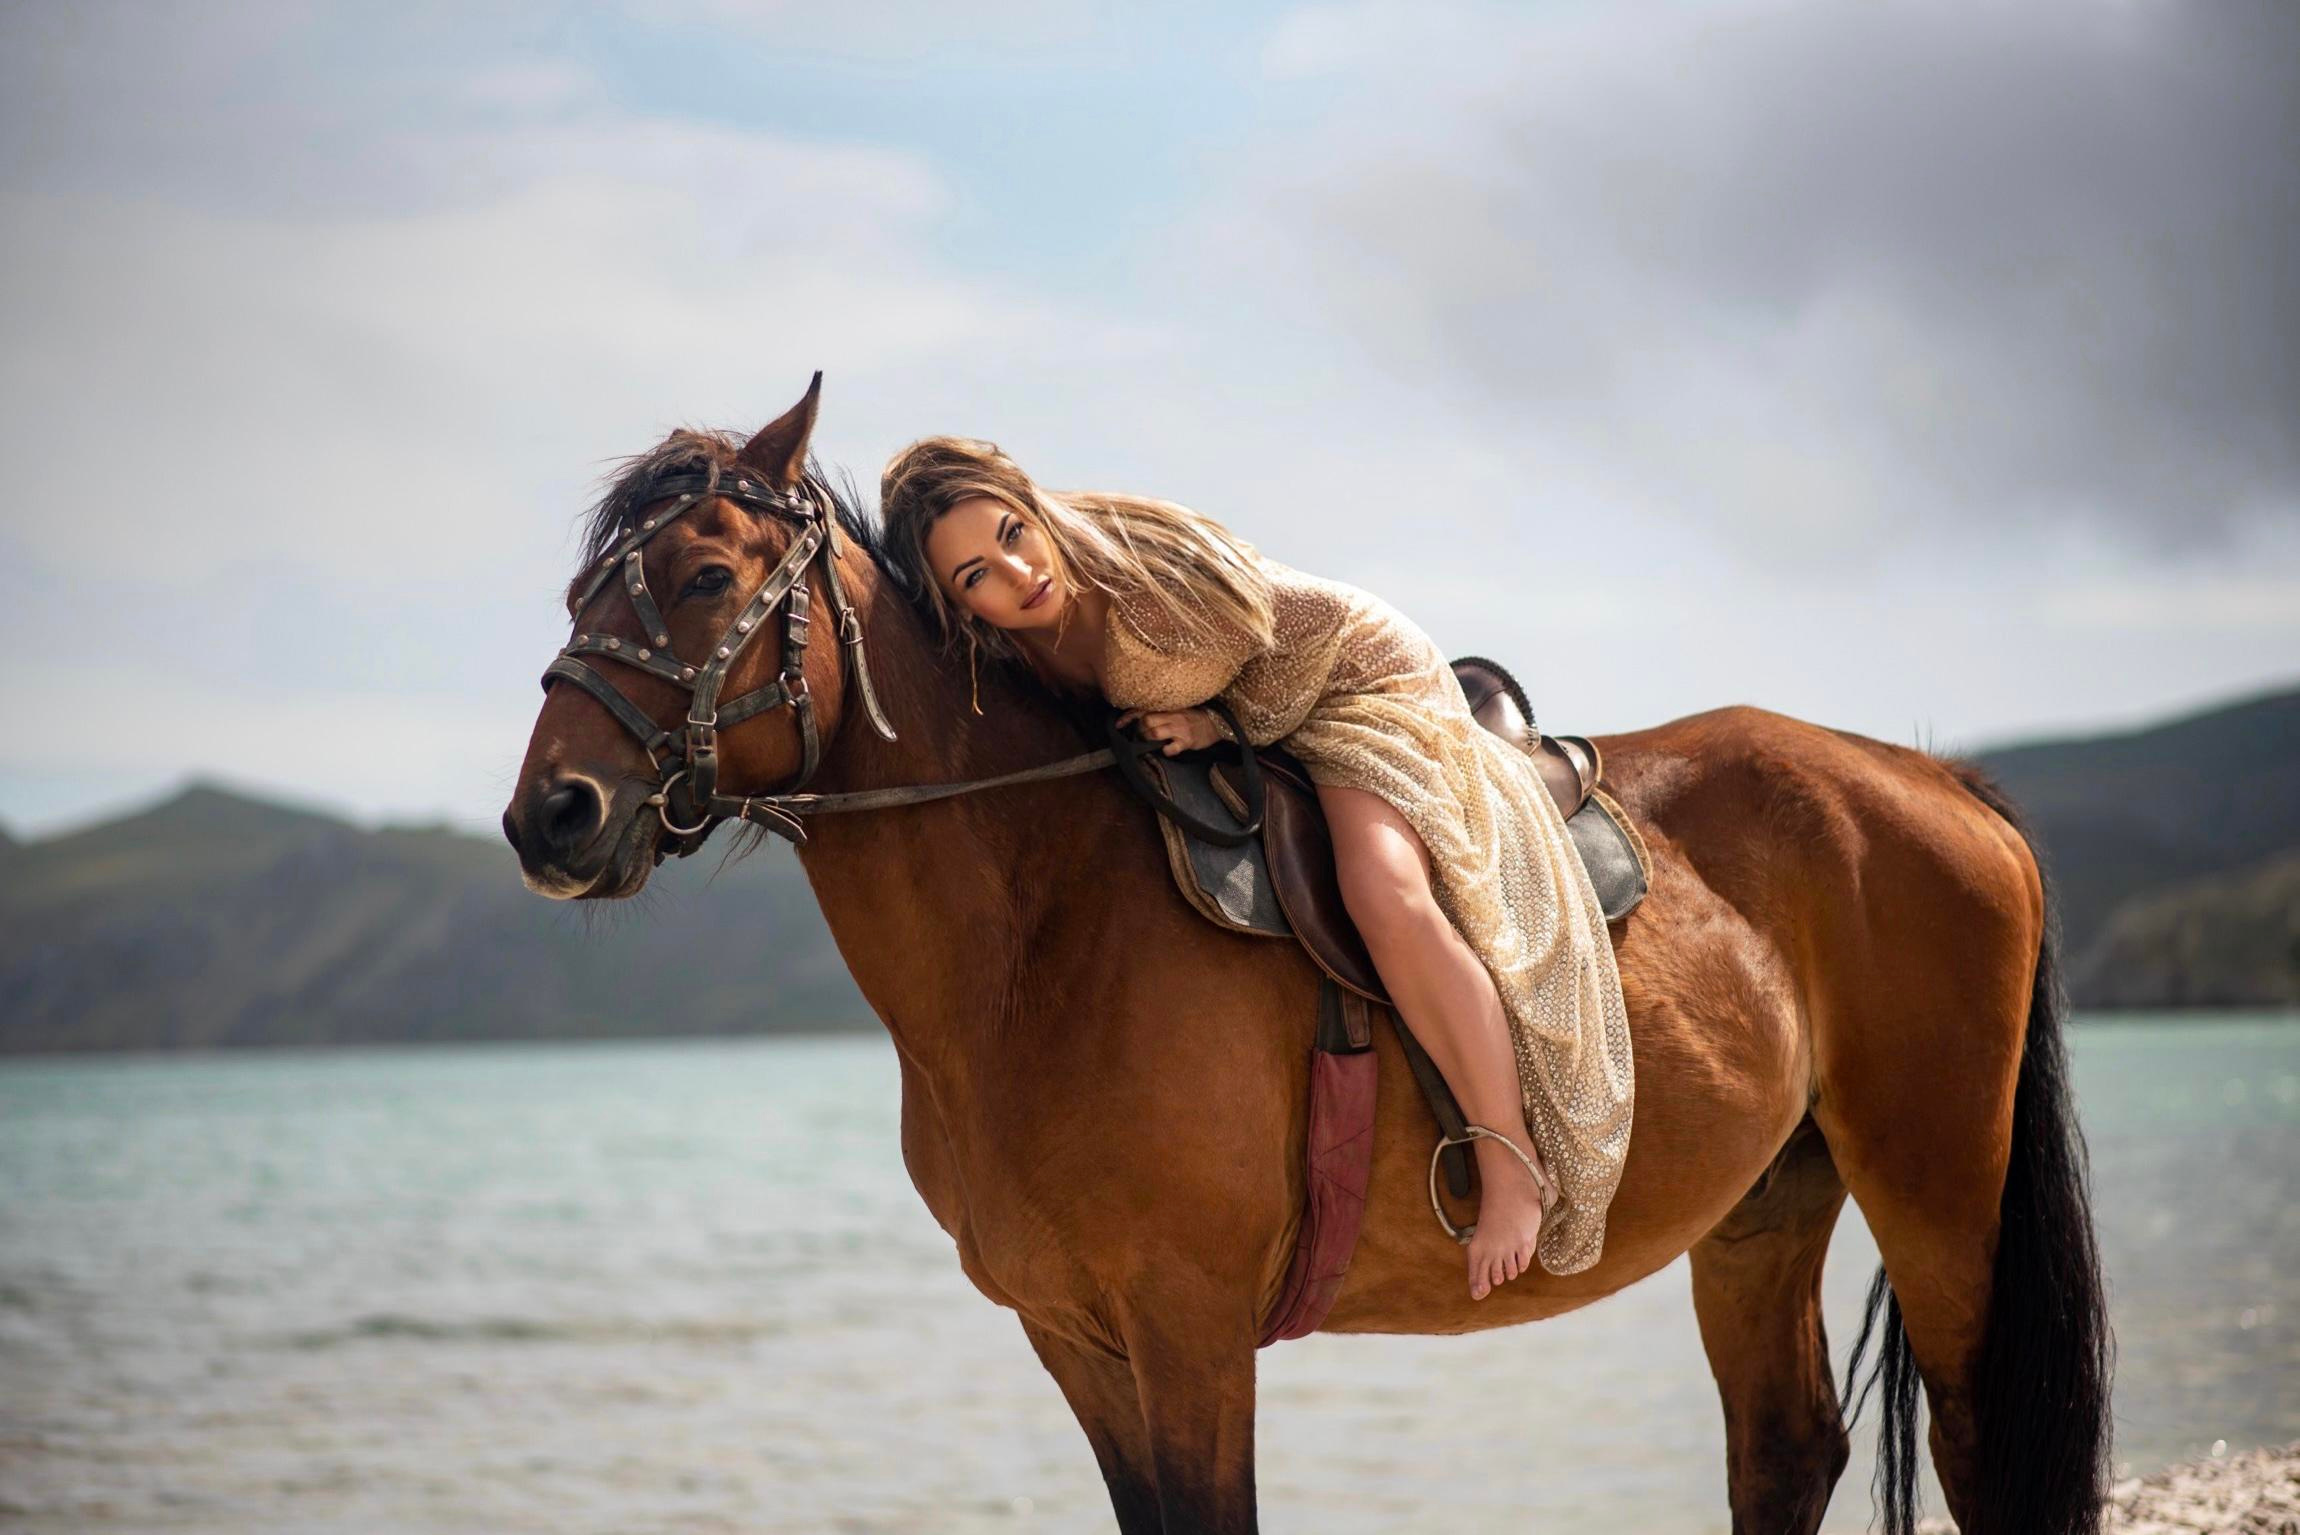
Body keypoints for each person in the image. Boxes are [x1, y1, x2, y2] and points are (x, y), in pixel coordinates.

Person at [879, 436, 1633, 1299]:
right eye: (976, 574)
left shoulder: (1140, 571)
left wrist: (1214, 723)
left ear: (1030, 500)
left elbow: (1284, 626)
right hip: (1252, 699)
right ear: (955, 601)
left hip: (1348, 680)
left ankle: (1510, 1162)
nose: (1017, 572)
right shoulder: (1010, 648)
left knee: (1382, 891)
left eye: (1012, 531)